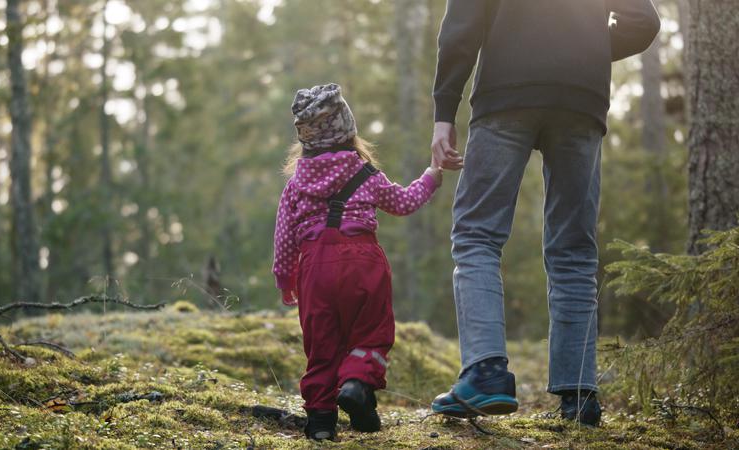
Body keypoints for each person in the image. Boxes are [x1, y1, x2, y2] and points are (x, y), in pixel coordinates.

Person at [429, 0, 660, 426]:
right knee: (574, 249)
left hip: (506, 94)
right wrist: (586, 51)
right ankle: (580, 395)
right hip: (582, 99)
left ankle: (486, 372)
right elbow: (644, 21)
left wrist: (444, 112)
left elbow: (461, 27)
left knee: (477, 235)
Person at [273, 83, 442, 440]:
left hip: (314, 269)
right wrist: (430, 178)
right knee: (371, 333)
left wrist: (285, 277)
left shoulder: (295, 185)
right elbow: (402, 202)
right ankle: (356, 386)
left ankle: (320, 422)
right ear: (348, 130)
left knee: (321, 346)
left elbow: (284, 236)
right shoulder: (365, 174)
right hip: (363, 261)